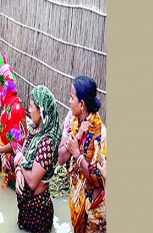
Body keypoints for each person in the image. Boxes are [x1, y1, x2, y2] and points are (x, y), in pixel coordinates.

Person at [58, 75, 107, 233]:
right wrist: (78, 136)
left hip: (93, 211)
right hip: (78, 202)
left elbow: (99, 177)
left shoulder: (99, 133)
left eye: (72, 98)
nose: (69, 102)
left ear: (82, 104)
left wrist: (77, 155)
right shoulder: (73, 123)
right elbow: (61, 158)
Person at [13, 85, 61, 233]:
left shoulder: (47, 142)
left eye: (32, 106)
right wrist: (19, 172)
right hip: (25, 207)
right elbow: (24, 160)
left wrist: (20, 161)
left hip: (38, 211)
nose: (29, 109)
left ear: (40, 111)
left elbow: (33, 182)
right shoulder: (34, 131)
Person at [0, 64, 28, 189]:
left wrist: (1, 150)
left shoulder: (16, 109)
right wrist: (3, 156)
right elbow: (1, 135)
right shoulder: (5, 107)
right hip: (6, 162)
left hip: (16, 166)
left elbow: (17, 142)